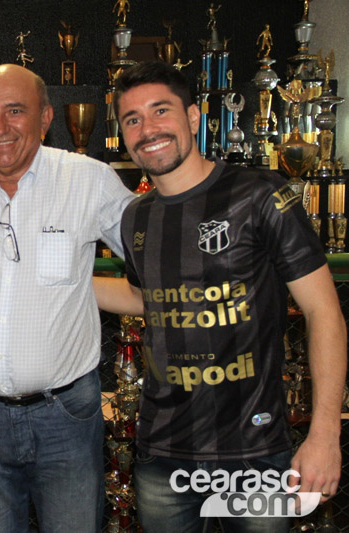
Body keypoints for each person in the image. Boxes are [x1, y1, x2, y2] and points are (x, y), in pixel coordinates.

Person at [107, 60, 346, 532]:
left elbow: (325, 313)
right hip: (162, 459)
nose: (147, 129)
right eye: (132, 119)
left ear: (193, 117)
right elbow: (145, 297)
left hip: (255, 458)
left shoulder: (261, 197)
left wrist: (324, 434)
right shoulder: (136, 217)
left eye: (161, 111)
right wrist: (48, 285)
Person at [0, 64, 135, 532]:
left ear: (45, 118)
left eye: (14, 111)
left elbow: (157, 260)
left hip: (67, 417)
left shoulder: (90, 180)